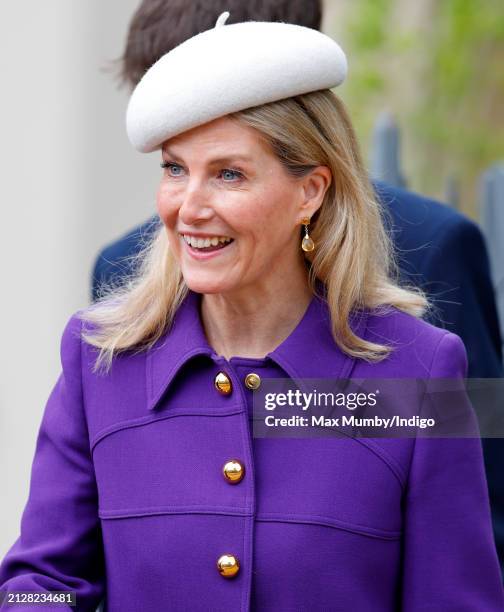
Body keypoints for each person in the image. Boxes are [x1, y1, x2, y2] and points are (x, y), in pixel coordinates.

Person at [1, 12, 503, 612]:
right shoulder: (100, 359)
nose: (189, 208)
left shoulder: (417, 371)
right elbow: (42, 589)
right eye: (174, 169)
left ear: (310, 191)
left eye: (229, 175)